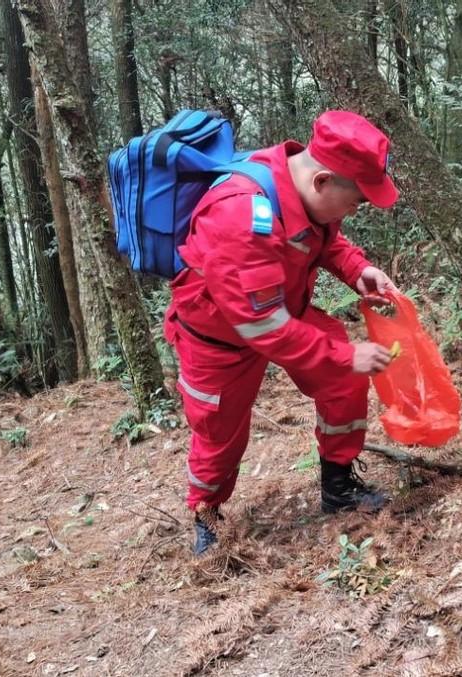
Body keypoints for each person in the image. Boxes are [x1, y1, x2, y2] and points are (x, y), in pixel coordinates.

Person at [163, 110, 401, 555]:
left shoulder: (300, 184)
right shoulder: (238, 217)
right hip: (219, 337)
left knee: (342, 379)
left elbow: (324, 236)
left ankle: (338, 487)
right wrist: (345, 355)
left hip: (280, 312)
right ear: (323, 180)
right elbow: (263, 327)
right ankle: (207, 516)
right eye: (357, 200)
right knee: (219, 434)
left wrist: (358, 269)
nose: (357, 209)